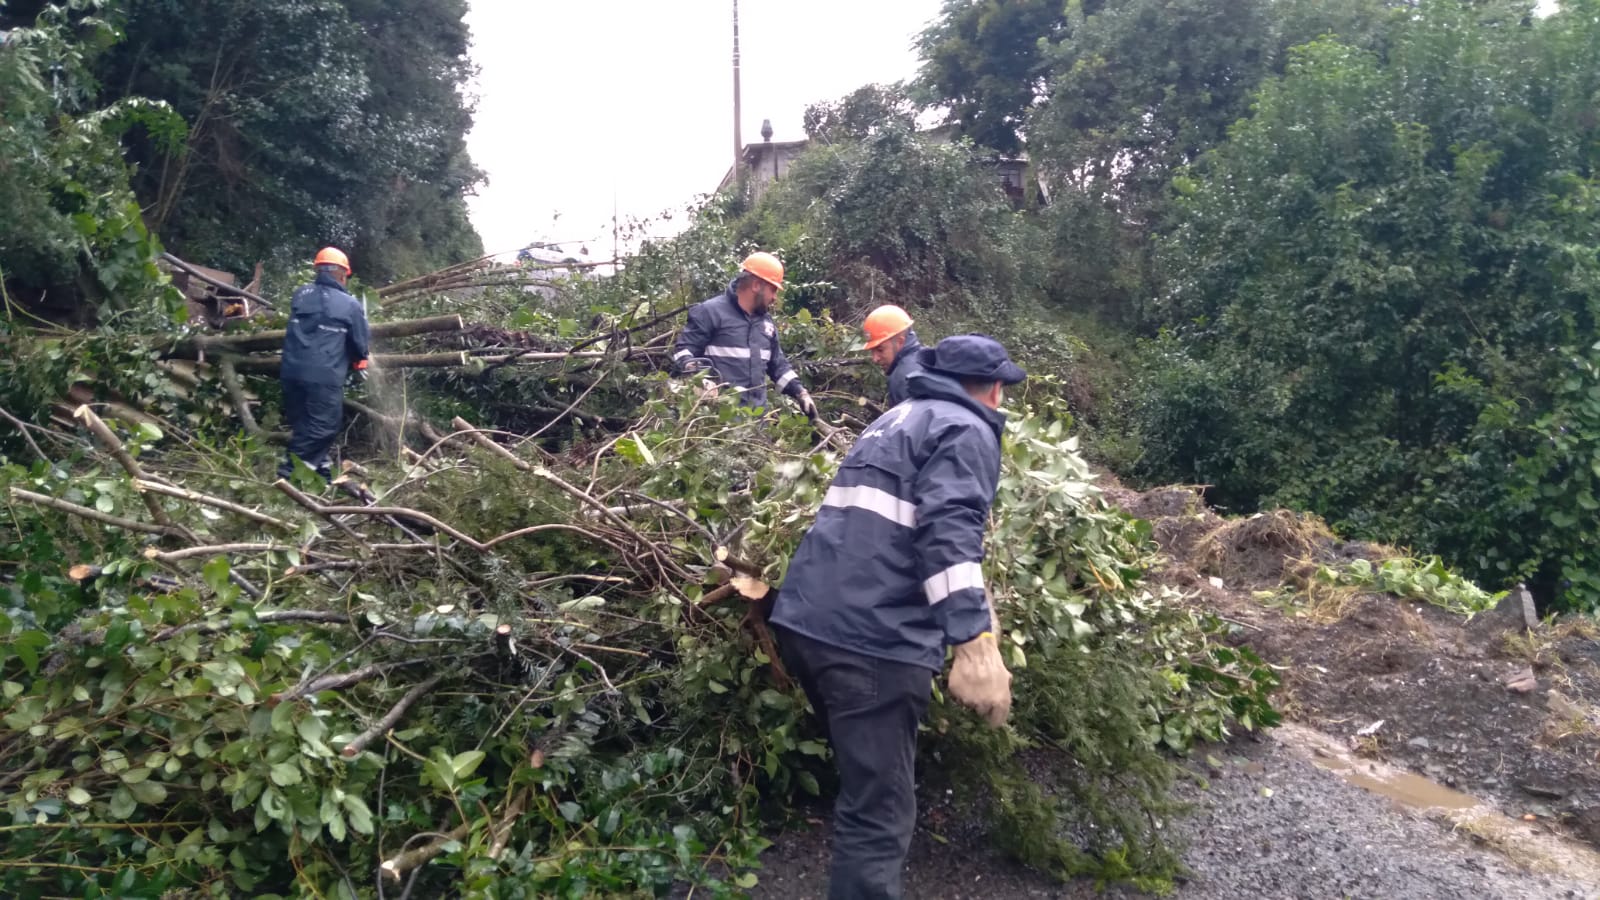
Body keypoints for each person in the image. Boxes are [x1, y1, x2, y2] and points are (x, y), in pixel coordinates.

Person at [769, 334, 1026, 899]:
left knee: (867, 790)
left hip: (807, 622)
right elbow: (947, 535)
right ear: (993, 389)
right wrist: (974, 644)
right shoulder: (966, 428)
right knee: (879, 814)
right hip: (870, 641)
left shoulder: (897, 418)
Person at [671, 252, 816, 416]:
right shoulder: (710, 312)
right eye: (773, 289)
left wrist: (800, 393)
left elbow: (778, 366)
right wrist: (700, 380)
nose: (775, 297)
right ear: (756, 285)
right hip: (718, 424)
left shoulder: (766, 325)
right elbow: (683, 352)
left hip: (756, 426)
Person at [277, 247, 369, 480]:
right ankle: (288, 477)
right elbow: (360, 344)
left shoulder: (300, 294)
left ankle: (321, 473)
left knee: (304, 425)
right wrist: (359, 359)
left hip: (290, 371)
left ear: (318, 269)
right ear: (341, 274)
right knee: (323, 427)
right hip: (323, 376)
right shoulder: (350, 304)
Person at [861, 304, 924, 407]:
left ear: (900, 342)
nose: (875, 359)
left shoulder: (903, 379)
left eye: (880, 350)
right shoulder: (926, 359)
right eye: (872, 351)